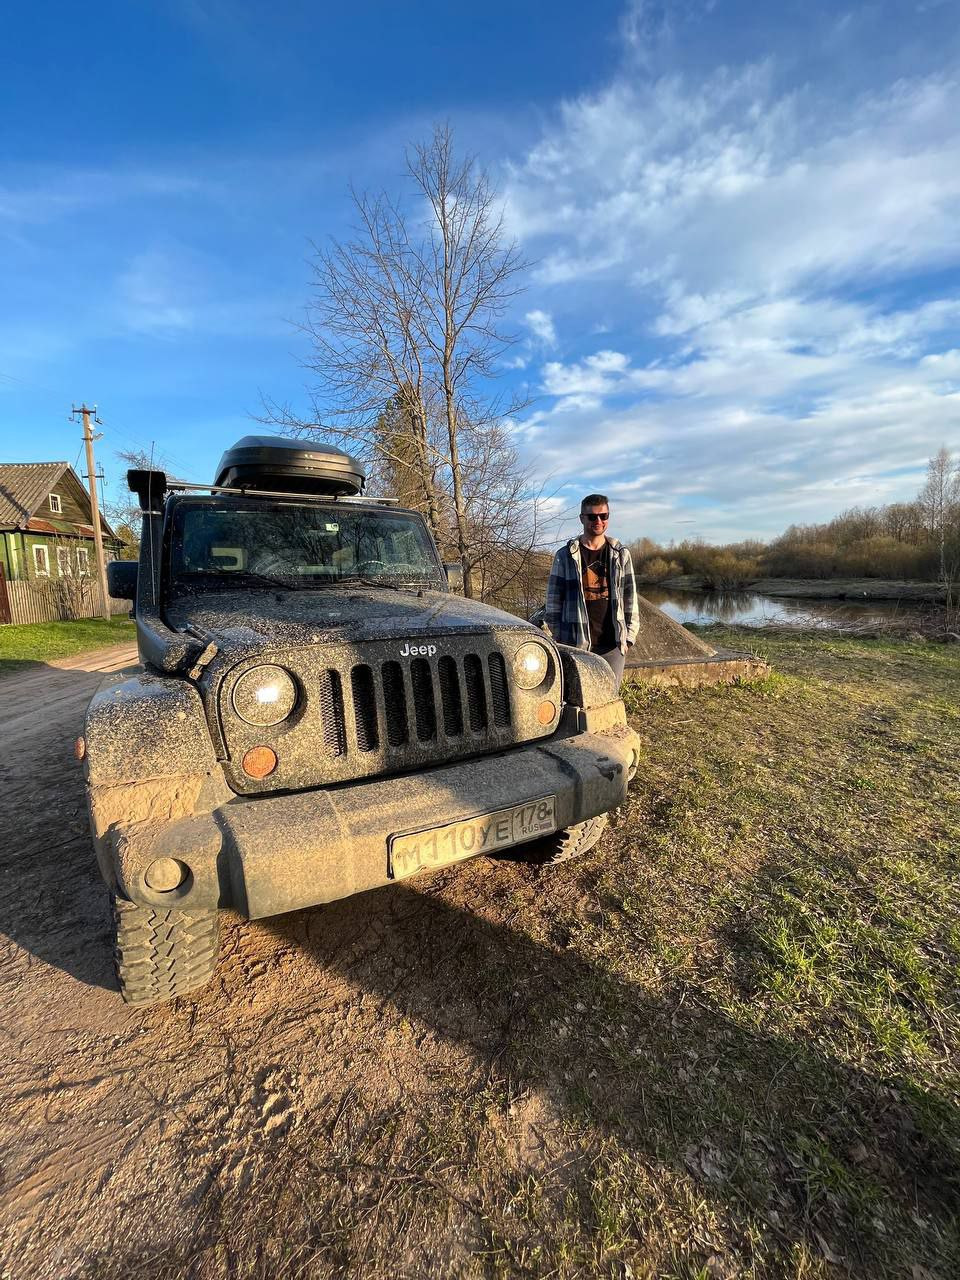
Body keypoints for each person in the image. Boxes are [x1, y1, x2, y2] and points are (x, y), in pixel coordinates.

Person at [544, 494, 639, 685]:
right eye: (592, 516)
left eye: (603, 516)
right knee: (576, 699)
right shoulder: (565, 556)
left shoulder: (620, 555)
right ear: (582, 518)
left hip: (613, 646)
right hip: (575, 645)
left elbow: (630, 596)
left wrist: (628, 638)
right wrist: (557, 636)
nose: (598, 521)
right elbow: (554, 600)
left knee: (610, 698)